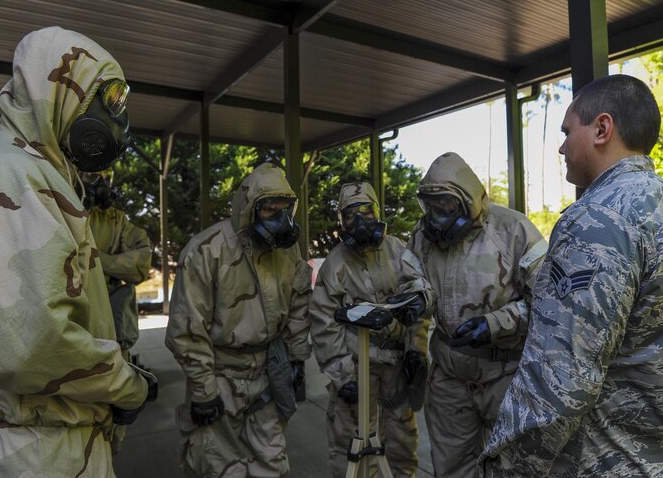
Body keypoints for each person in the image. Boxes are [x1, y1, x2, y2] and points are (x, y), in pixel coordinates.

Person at [479, 74, 663, 477]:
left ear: (602, 129)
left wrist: (506, 466)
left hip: (614, 465)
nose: (561, 146)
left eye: (567, 131)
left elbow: (559, 378)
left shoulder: (598, 219)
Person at [0, 26, 154, 477]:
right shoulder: (14, 174)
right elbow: (36, 342)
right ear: (63, 91)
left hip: (59, 440)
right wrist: (128, 386)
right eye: (108, 100)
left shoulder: (41, 172)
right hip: (40, 448)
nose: (116, 119)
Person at [391, 152, 548, 478]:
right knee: (451, 466)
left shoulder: (513, 230)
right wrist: (416, 300)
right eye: (430, 205)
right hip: (449, 376)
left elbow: (549, 302)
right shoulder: (423, 237)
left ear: (467, 200)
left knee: (513, 466)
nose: (436, 215)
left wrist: (497, 323)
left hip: (504, 374)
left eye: (445, 204)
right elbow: (412, 279)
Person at [165, 162, 312, 478]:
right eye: (271, 211)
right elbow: (186, 328)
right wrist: (204, 391)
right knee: (218, 466)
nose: (282, 221)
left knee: (273, 463)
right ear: (249, 209)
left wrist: (297, 358)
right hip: (220, 376)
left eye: (286, 210)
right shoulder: (207, 250)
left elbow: (299, 303)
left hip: (268, 373)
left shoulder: (287, 251)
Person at [309, 182, 431, 478]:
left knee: (402, 440)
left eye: (367, 211)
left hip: (397, 369)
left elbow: (417, 305)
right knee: (351, 441)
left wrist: (416, 350)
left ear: (377, 211)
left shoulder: (399, 251)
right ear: (341, 220)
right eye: (351, 215)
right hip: (357, 369)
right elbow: (324, 323)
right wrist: (342, 375)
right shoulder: (335, 265)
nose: (361, 221)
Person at [79, 171, 152, 361]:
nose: (97, 180)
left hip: (109, 333)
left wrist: (94, 258)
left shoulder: (115, 219)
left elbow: (141, 264)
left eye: (98, 174)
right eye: (88, 174)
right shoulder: (52, 208)